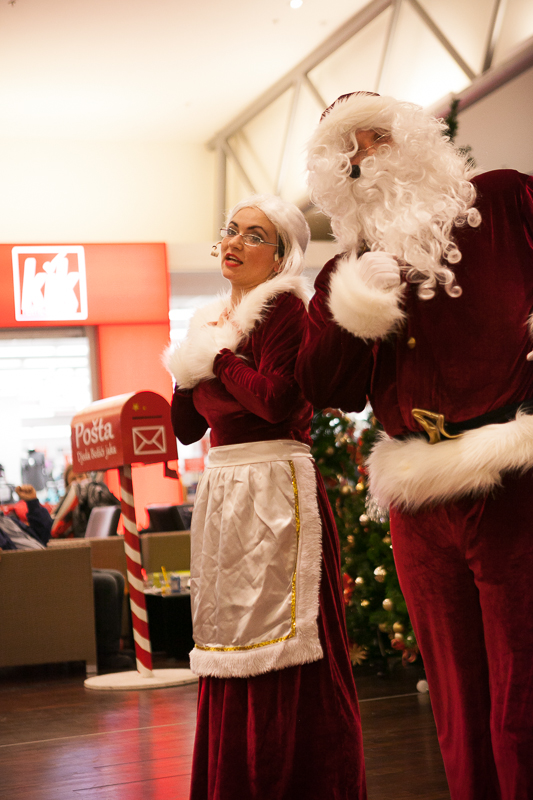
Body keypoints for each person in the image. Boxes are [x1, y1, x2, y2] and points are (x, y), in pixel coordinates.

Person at [296, 91, 533, 800]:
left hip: (510, 478)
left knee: (523, 686)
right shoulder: (346, 269)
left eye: (373, 137)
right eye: (348, 151)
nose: (364, 156)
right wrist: (351, 306)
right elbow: (322, 384)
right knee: (456, 698)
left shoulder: (502, 200)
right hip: (418, 502)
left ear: (411, 136)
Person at [165, 194, 366, 800]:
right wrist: (187, 371)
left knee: (285, 635)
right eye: (230, 230)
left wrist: (217, 361)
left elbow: (278, 400)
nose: (234, 242)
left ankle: (297, 777)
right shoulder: (210, 319)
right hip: (224, 489)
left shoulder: (283, 308)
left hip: (277, 484)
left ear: (281, 256)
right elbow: (186, 428)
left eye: (254, 235)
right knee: (232, 638)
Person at [0, 484, 133, 673]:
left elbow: (45, 533)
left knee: (116, 578)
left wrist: (32, 503)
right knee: (106, 584)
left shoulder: (7, 520)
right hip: (31, 577)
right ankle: (107, 655)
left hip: (49, 567)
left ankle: (107, 649)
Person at [52, 464, 120, 538]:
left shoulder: (96, 493)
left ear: (86, 477)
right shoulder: (64, 507)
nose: (78, 481)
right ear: (67, 483)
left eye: (80, 476)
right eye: (73, 479)